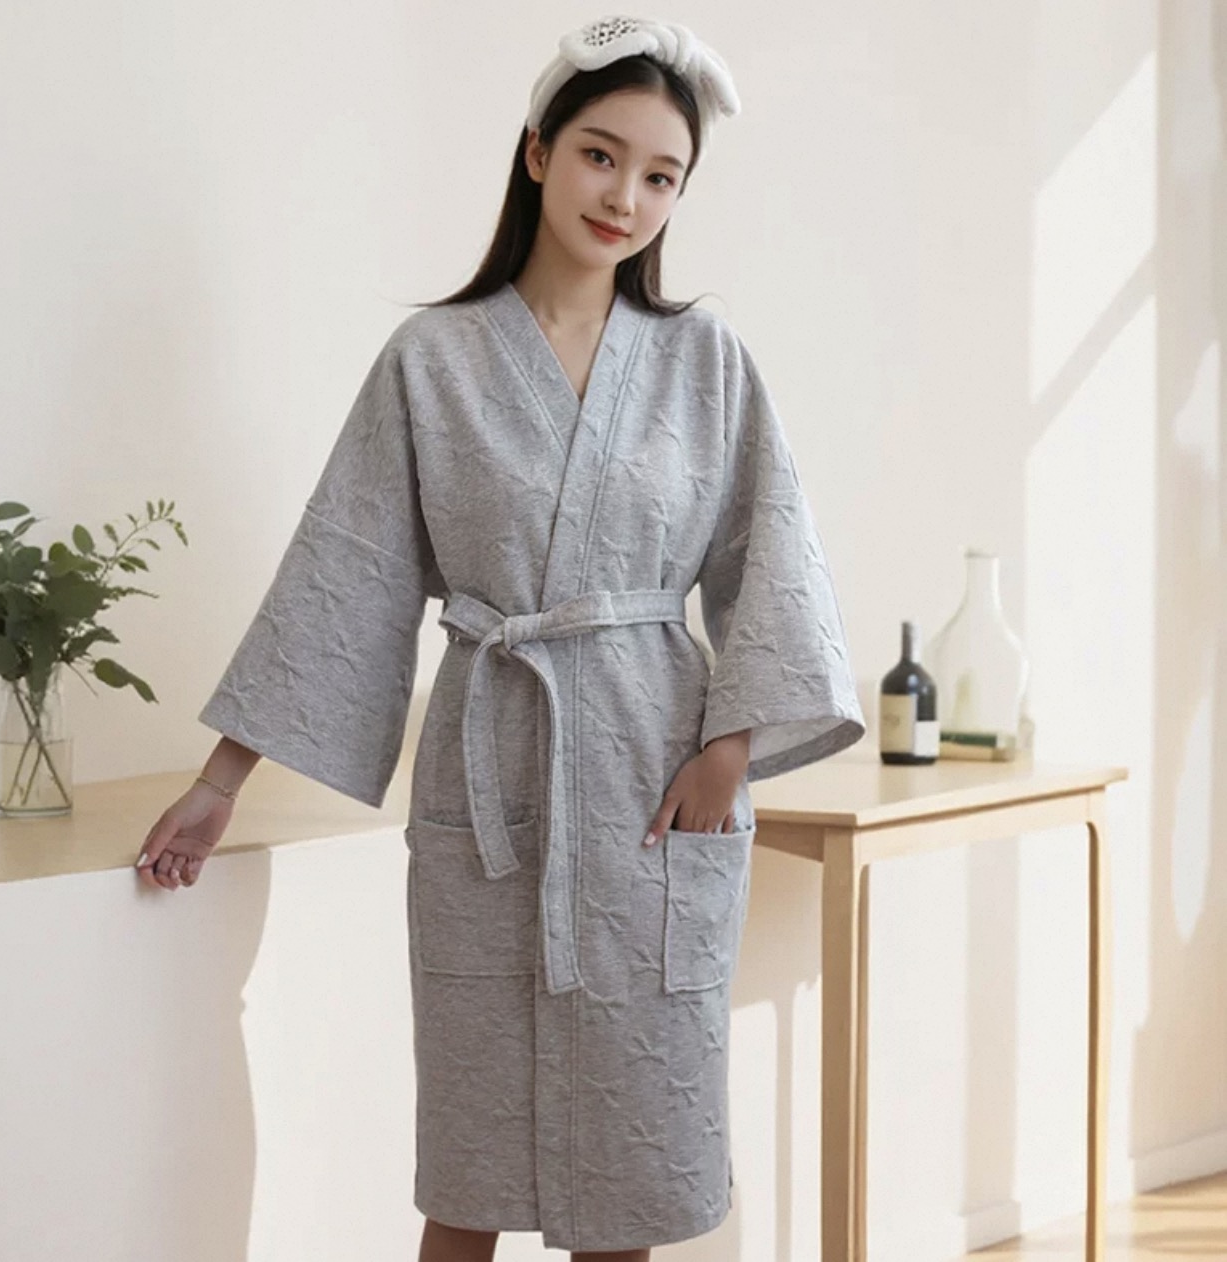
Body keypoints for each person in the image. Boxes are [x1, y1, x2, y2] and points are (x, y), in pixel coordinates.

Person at [135, 15, 865, 1262]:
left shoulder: (706, 360)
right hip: (488, 788)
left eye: (661, 175)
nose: (625, 196)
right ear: (537, 152)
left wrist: (731, 751)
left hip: (652, 780)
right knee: (466, 1175)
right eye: (600, 155)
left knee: (631, 1177)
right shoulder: (431, 360)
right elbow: (342, 572)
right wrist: (219, 782)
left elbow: (775, 557)